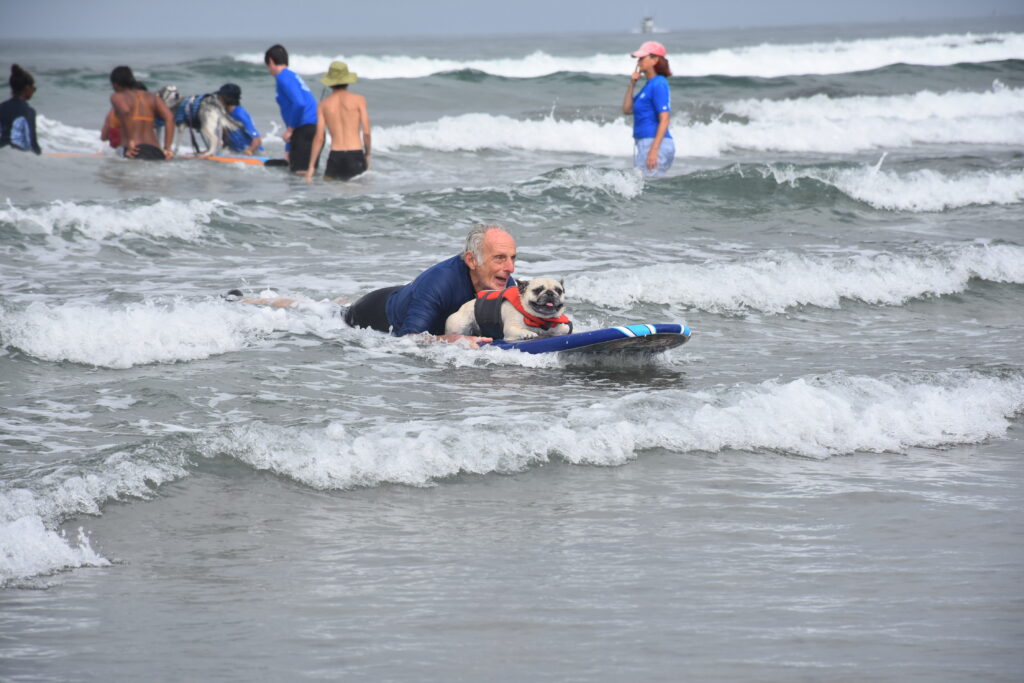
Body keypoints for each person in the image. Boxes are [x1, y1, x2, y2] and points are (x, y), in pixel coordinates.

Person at [232, 224, 517, 346]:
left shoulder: (505, 282)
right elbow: (408, 341)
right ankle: (247, 301)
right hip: (375, 312)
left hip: (403, 294)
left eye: (512, 258)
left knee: (330, 305)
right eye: (500, 258)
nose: (509, 267)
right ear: (471, 259)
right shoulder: (439, 282)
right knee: (324, 311)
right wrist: (450, 341)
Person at [306, 61, 370, 182]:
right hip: (355, 154)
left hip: (335, 156)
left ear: (330, 82)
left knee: (333, 197)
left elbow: (319, 137)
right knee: (359, 197)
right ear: (347, 80)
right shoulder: (359, 100)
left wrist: (311, 168)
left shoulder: (323, 105)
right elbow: (366, 132)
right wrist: (368, 154)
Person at [622, 40, 674, 178]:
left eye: (642, 58)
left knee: (647, 189)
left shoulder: (659, 84)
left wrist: (653, 151)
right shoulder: (649, 85)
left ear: (655, 60)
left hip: (653, 143)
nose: (638, 61)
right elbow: (627, 109)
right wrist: (632, 84)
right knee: (646, 188)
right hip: (646, 143)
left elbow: (664, 119)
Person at [264, 44, 319, 173]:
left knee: (300, 176)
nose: (268, 69)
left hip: (304, 130)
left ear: (271, 61)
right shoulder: (292, 76)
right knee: (308, 174)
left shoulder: (282, 77)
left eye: (267, 65)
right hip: (312, 129)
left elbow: (299, 104)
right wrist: (288, 150)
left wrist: (290, 130)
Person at [109, 66, 174, 160]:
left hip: (133, 151)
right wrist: (167, 148)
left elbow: (125, 111)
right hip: (155, 151)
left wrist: (131, 141)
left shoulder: (118, 96)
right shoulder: (153, 97)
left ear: (116, 84)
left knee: (110, 171)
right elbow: (170, 118)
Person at [0, 64, 42, 155]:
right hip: (19, 157)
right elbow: (33, 144)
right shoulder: (29, 112)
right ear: (27, 89)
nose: (34, 91)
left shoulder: (1, 107)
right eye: (33, 88)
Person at [215, 83, 264, 156]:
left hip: (254, 154)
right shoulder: (224, 114)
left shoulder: (240, 114)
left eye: (220, 97)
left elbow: (257, 140)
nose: (217, 99)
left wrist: (248, 152)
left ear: (227, 98)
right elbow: (226, 140)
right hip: (236, 153)